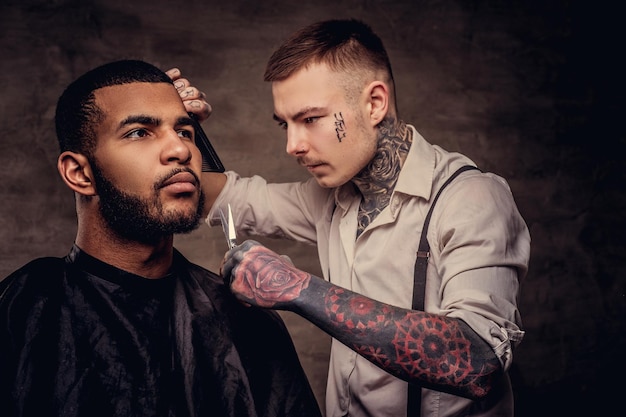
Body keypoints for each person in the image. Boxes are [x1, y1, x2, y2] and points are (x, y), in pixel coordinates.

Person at [174, 19, 530, 417]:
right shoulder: (331, 196)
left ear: (374, 103)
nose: (293, 145)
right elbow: (222, 197)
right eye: (285, 124)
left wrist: (297, 289)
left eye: (310, 119)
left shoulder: (471, 198)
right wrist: (181, 130)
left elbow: (477, 361)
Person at [0, 60, 322, 417]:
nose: (181, 150)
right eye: (139, 132)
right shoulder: (22, 308)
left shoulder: (244, 318)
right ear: (80, 173)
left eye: (185, 132)